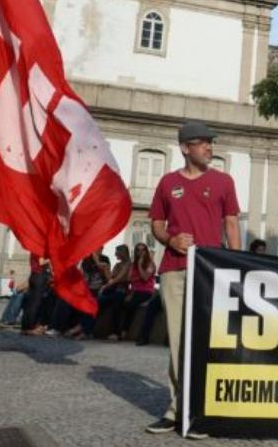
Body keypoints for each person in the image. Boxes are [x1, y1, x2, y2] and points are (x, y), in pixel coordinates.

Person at [146, 120, 241, 436]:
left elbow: (231, 225)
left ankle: (199, 409)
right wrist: (170, 240)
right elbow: (156, 224)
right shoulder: (167, 182)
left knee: (205, 342)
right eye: (202, 143)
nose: (209, 148)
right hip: (174, 270)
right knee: (177, 341)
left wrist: (237, 265)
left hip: (209, 271)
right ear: (185, 147)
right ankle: (176, 410)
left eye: (210, 143)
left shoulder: (224, 181)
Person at [114, 242, 156, 341]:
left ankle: (124, 331)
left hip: (146, 291)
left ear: (146, 251)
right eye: (138, 250)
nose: (140, 252)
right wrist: (133, 289)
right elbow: (129, 279)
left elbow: (145, 278)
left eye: (143, 250)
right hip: (134, 290)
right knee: (118, 300)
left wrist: (140, 265)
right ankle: (115, 331)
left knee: (131, 305)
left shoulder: (151, 264)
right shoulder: (133, 265)